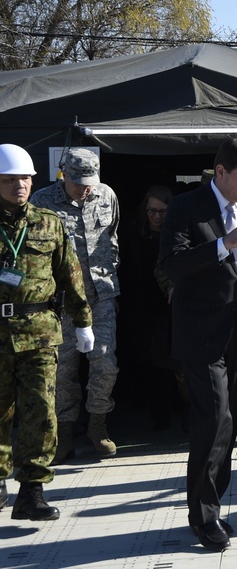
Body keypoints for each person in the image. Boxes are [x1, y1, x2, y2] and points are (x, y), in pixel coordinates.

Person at [158, 138, 237, 551]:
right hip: (200, 332)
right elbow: (171, 264)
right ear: (221, 172)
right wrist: (221, 245)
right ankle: (204, 516)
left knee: (229, 427)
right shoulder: (186, 206)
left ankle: (210, 504)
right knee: (214, 418)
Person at [0, 144, 92, 521]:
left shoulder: (48, 222)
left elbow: (69, 274)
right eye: (8, 180)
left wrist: (83, 320)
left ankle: (31, 493)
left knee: (42, 412)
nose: (18, 186)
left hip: (40, 332)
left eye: (24, 179)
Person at [31, 148, 120, 461]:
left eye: (90, 181)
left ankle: (98, 425)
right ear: (63, 174)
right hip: (63, 302)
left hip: (101, 296)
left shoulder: (106, 196)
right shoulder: (41, 202)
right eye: (78, 181)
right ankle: (64, 432)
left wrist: (111, 273)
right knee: (62, 369)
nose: (86, 188)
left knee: (105, 365)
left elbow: (112, 239)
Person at [117, 185, 179, 430]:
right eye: (151, 211)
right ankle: (147, 406)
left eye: (162, 212)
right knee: (142, 359)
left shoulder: (177, 236)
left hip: (168, 305)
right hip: (138, 305)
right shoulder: (132, 233)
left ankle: (168, 410)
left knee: (166, 361)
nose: (156, 217)